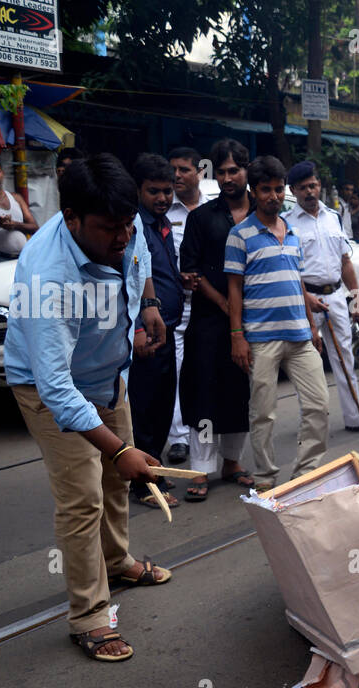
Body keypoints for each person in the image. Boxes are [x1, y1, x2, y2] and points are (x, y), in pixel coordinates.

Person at [4, 154, 172, 663]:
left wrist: (148, 305)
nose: (121, 238)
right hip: (50, 389)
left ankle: (117, 561)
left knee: (116, 481)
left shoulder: (123, 221)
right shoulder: (46, 279)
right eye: (108, 229)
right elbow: (55, 388)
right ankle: (90, 616)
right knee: (83, 499)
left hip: (108, 373)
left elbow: (137, 254)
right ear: (71, 217)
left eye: (127, 225)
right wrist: (119, 448)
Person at [225, 156, 330, 490]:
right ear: (254, 192)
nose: (273, 196)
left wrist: (312, 325)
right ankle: (267, 479)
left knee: (319, 404)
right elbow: (234, 289)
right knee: (263, 413)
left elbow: (296, 279)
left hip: (300, 336)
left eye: (278, 189)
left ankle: (305, 474)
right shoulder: (239, 235)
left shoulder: (293, 231)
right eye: (266, 190)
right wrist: (237, 336)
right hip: (260, 339)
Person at [177, 139, 257, 500]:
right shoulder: (201, 217)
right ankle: (201, 469)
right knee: (204, 392)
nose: (227, 177)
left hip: (256, 319)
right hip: (210, 320)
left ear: (246, 171)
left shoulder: (264, 212)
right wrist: (226, 305)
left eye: (234, 170)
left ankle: (232, 462)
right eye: (221, 171)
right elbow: (190, 270)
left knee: (240, 391)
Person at [283, 160, 359, 435]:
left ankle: (355, 417)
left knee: (345, 359)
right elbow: (291, 271)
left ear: (320, 185)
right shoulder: (287, 224)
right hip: (307, 299)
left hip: (336, 295)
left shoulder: (333, 217)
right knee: (307, 364)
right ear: (294, 190)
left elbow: (345, 262)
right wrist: (305, 301)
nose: (309, 192)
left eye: (313, 185)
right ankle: (312, 423)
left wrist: (356, 300)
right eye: (303, 188)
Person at [127, 153, 184, 509]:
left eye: (167, 192)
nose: (162, 198)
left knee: (162, 407)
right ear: (138, 190)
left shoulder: (163, 225)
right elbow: (129, 281)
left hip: (167, 331)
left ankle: (154, 472)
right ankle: (144, 483)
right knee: (145, 411)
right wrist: (136, 327)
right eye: (154, 192)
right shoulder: (133, 226)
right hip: (144, 333)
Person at [164, 146, 205, 464]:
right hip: (176, 304)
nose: (176, 175)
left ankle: (212, 445)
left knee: (206, 374)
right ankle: (178, 439)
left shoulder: (214, 210)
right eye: (173, 169)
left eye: (183, 169)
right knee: (175, 372)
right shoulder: (164, 212)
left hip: (212, 305)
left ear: (199, 172)